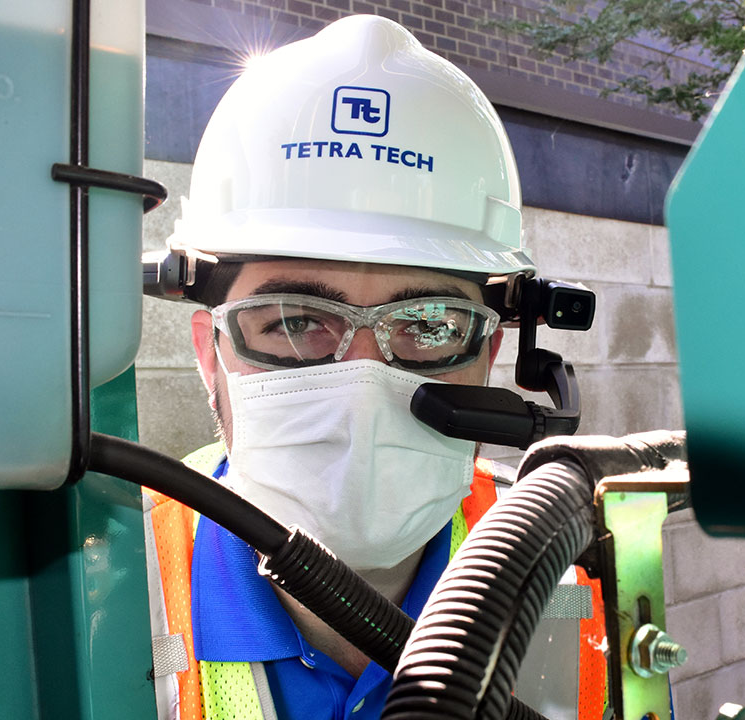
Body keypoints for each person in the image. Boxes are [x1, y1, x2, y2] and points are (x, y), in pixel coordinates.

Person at [141, 14, 607, 720]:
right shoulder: (111, 583)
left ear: (491, 354)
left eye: (426, 325)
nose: (362, 384)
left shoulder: (573, 572)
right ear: (212, 356)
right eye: (295, 323)